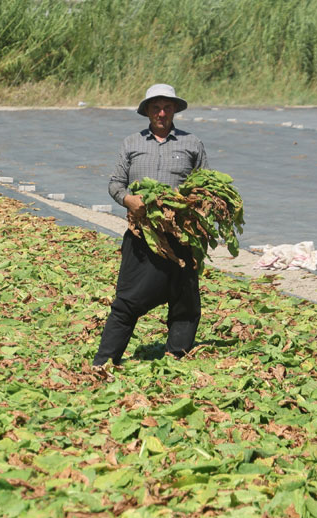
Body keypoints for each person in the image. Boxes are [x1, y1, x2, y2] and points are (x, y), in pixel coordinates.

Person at [92, 83, 208, 369]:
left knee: (185, 300)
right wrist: (128, 200)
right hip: (142, 234)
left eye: (167, 107)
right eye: (156, 107)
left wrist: (197, 205)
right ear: (147, 111)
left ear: (175, 110)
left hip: (180, 235)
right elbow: (115, 184)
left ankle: (176, 357)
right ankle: (104, 361)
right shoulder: (132, 143)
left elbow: (205, 186)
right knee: (127, 301)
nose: (162, 113)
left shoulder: (192, 143)